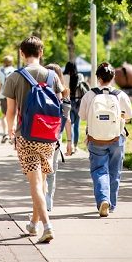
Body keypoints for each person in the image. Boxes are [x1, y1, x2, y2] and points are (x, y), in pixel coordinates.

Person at [3, 36, 63, 243]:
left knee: (35, 183)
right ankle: (33, 224)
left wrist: (10, 131)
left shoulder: (14, 77)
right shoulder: (52, 76)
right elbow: (60, 103)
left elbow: (10, 111)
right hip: (48, 136)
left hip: (26, 135)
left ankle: (47, 226)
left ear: (22, 53)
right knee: (43, 181)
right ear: (41, 52)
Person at [79, 62, 132, 217]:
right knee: (114, 171)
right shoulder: (120, 95)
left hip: (95, 139)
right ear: (113, 77)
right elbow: (130, 115)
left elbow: (82, 116)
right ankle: (111, 204)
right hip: (117, 138)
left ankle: (103, 199)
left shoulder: (90, 95)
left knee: (99, 170)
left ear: (98, 77)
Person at [43, 63, 72, 212]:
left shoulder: (38, 92)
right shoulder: (64, 95)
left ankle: (42, 198)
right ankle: (49, 199)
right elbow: (67, 120)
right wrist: (70, 141)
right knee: (52, 168)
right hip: (55, 135)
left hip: (39, 133)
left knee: (40, 168)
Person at [0, 55, 16, 143]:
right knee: (14, 115)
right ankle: (13, 136)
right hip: (13, 96)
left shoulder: (1, 71)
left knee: (4, 115)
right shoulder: (15, 71)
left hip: (3, 96)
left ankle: (5, 133)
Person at [63, 62, 83, 153]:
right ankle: (75, 146)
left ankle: (69, 145)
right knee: (77, 126)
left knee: (69, 124)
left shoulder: (64, 77)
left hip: (68, 101)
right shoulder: (80, 76)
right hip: (78, 102)